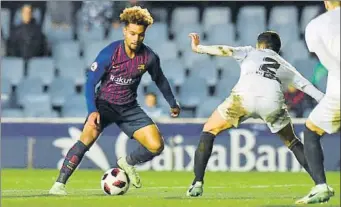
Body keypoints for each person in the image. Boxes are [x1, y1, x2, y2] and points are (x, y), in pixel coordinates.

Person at [49, 6, 180, 195]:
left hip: (129, 108)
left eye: (140, 35)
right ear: (125, 30)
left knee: (156, 145)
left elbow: (160, 79)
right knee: (86, 139)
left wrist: (172, 103)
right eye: (132, 33)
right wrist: (93, 110)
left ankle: (128, 162)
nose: (136, 39)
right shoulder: (109, 53)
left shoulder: (149, 57)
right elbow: (90, 83)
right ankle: (59, 184)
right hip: (104, 105)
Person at [185, 32, 326, 197]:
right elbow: (306, 85)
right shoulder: (285, 64)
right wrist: (326, 100)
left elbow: (225, 50)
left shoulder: (249, 51)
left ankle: (197, 183)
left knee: (209, 130)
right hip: (271, 101)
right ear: (277, 49)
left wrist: (198, 48)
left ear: (260, 44)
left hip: (243, 98)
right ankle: (320, 184)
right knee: (293, 142)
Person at [295, 1, 339, 204]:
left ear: (326, 2)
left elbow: (319, 55)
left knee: (311, 131)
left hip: (338, 87)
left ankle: (321, 186)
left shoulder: (315, 24)